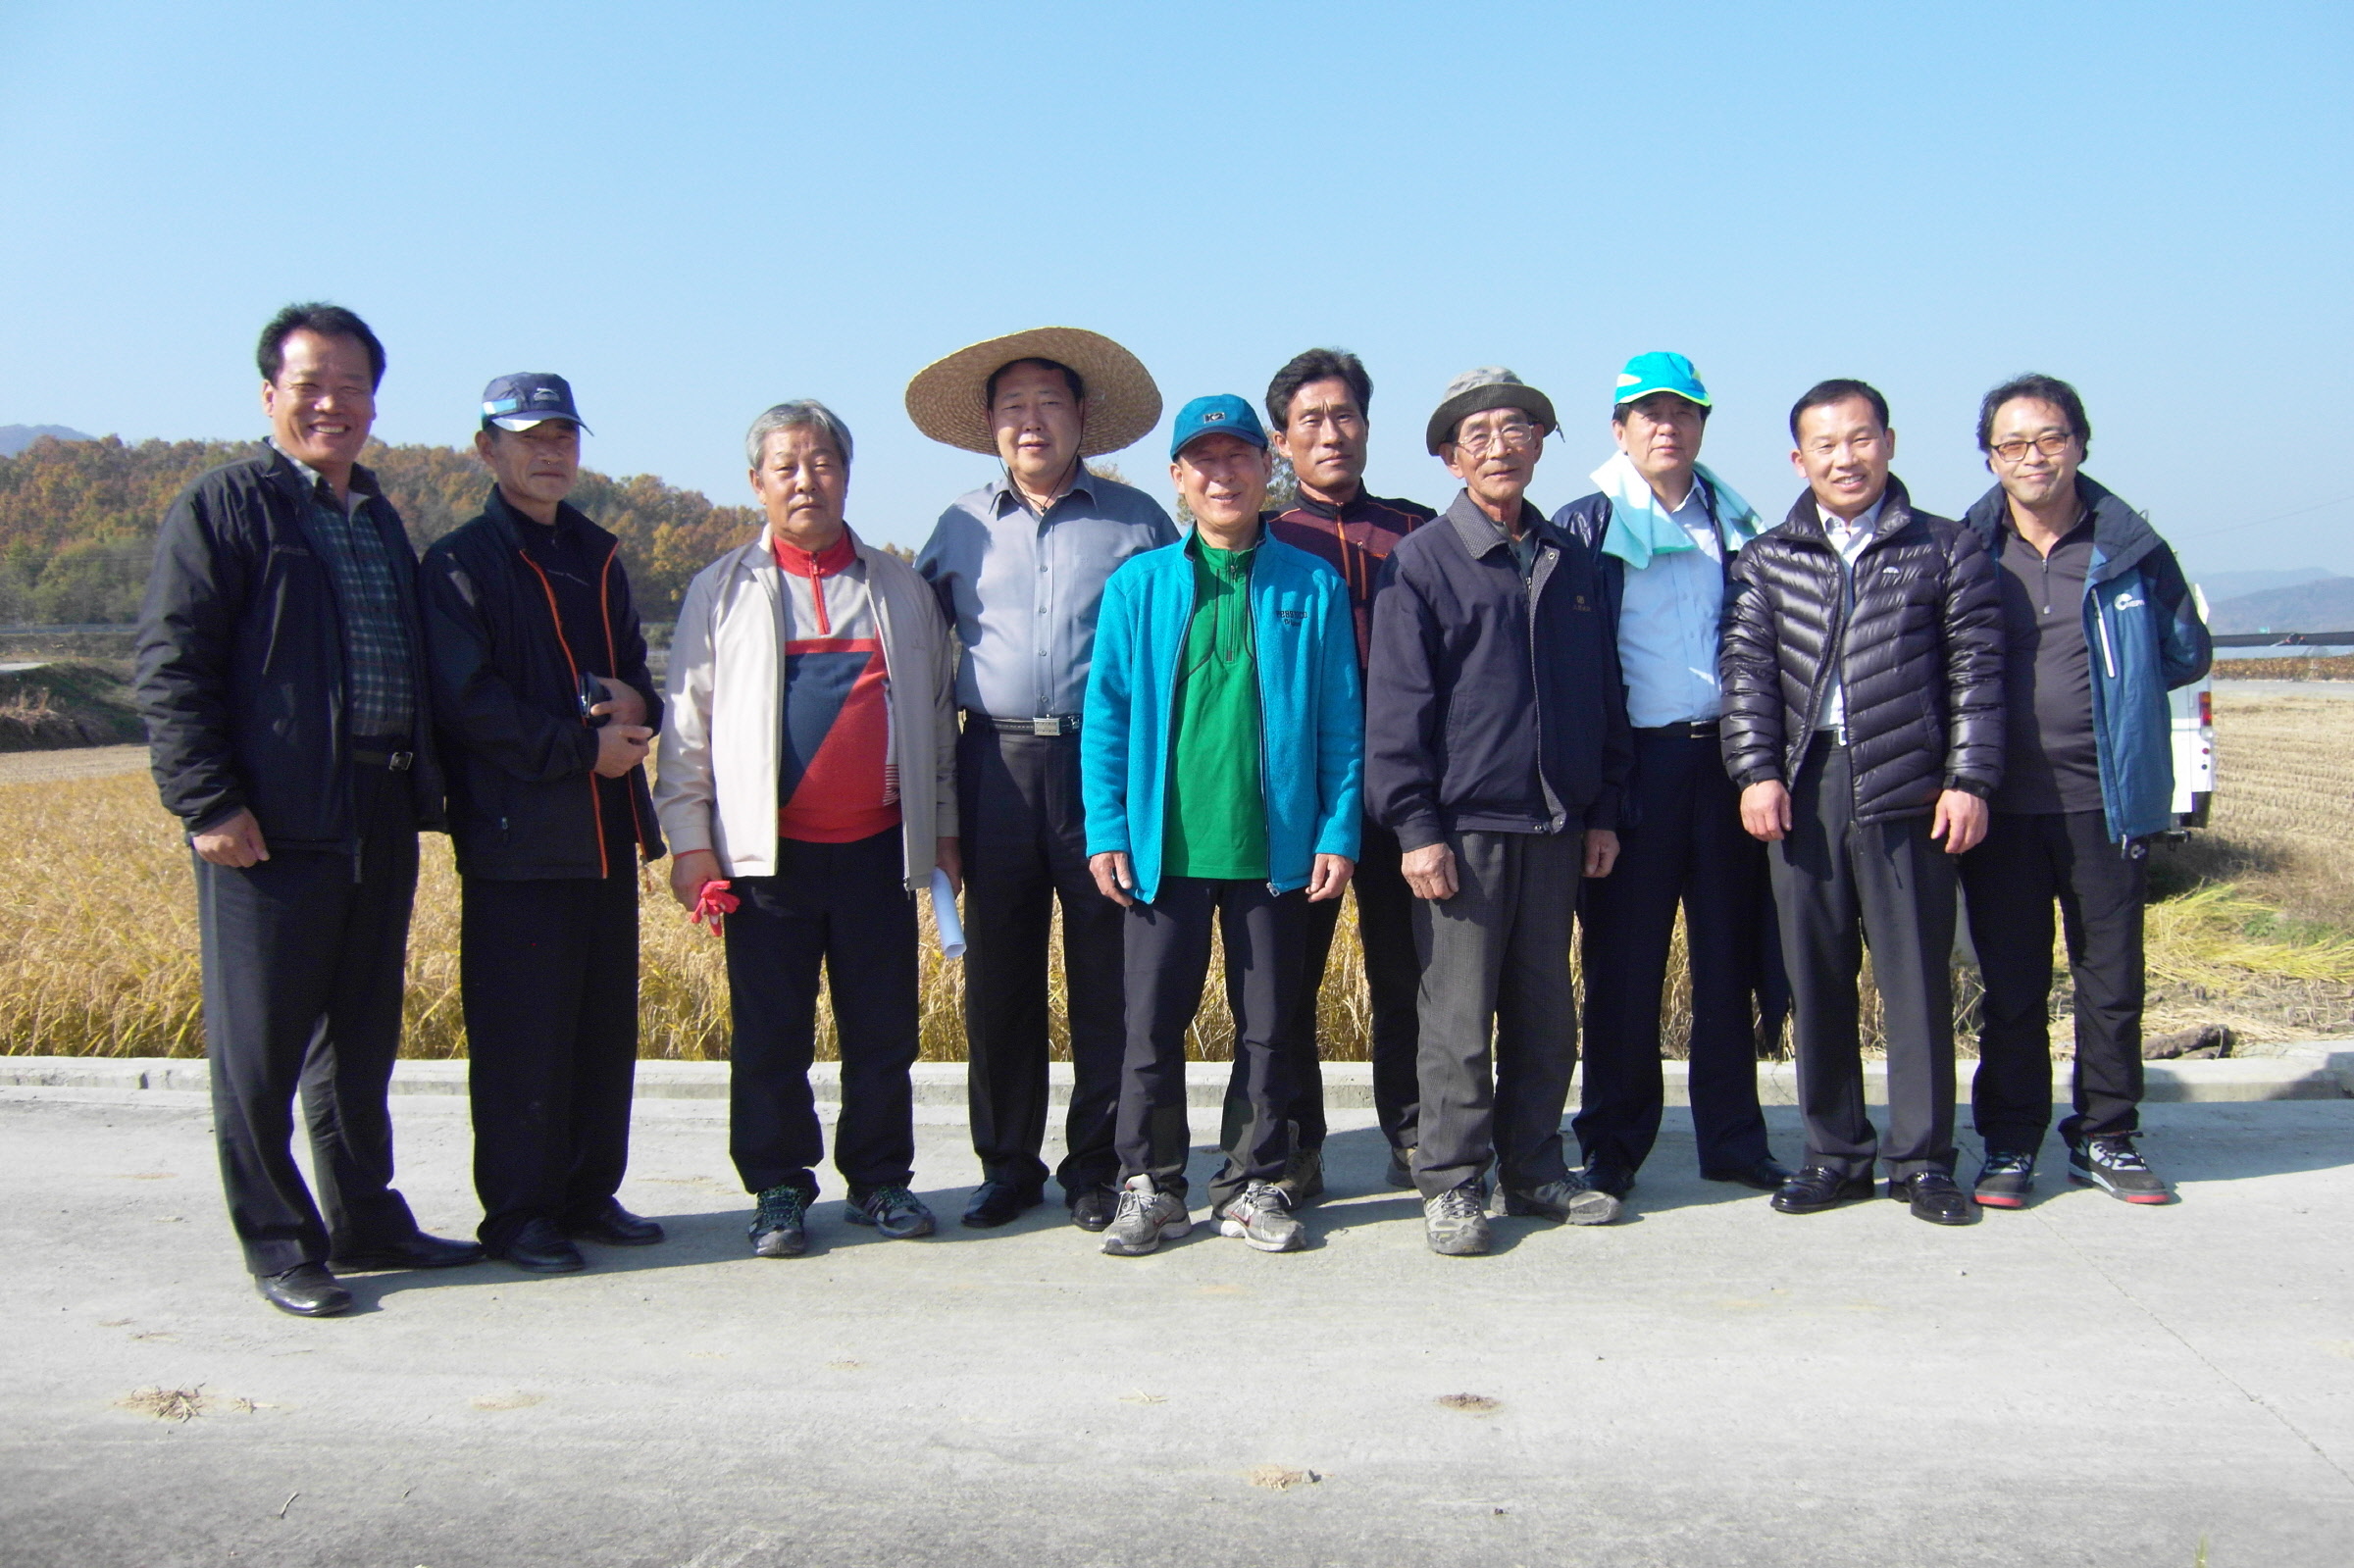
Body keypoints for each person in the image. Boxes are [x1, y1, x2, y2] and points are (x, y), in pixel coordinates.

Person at [134, 302, 481, 1318]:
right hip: (271, 824)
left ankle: (365, 1215)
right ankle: (280, 1241)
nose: (333, 403)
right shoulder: (226, 507)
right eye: (310, 385)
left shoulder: (375, 516)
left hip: (376, 806)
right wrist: (207, 800)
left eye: (353, 386)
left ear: (376, 399)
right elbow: (171, 668)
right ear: (269, 397)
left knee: (359, 1036)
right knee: (262, 1047)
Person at [654, 401, 959, 1259]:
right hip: (766, 861)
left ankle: (880, 1180)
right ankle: (779, 1186)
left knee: (883, 1031)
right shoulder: (720, 591)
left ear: (846, 475)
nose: (805, 479)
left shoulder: (898, 586)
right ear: (756, 482)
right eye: (785, 465)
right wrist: (691, 845)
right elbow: (686, 730)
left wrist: (942, 833)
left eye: (821, 462)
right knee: (770, 1036)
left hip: (877, 851)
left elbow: (937, 721)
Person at [1080, 395, 1362, 1256]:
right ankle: (1151, 1183)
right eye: (1202, 460)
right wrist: (1107, 827)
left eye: (1238, 456)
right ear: (1178, 479)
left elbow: (1343, 724)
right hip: (1164, 851)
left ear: (1266, 467)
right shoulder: (1141, 586)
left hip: (1273, 852)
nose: (1222, 474)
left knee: (1272, 1028)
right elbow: (1107, 716)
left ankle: (1257, 1181)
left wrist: (1338, 828)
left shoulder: (1309, 583)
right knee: (1150, 1026)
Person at [1718, 379, 2005, 1227]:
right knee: (1816, 975)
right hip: (1805, 789)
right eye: (1826, 444)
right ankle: (1835, 1152)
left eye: (1861, 439)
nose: (1845, 458)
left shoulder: (1945, 548)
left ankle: (1921, 1161)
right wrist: (1754, 772)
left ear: (1890, 441)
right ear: (1797, 458)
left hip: (1910, 787)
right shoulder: (1769, 558)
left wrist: (1969, 779)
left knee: (1915, 978)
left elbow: (1978, 675)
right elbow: (1746, 676)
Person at [908, 329, 1175, 1232]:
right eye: (1013, 405)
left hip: (1102, 767)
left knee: (1109, 974)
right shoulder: (955, 528)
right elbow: (916, 662)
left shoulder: (1139, 522)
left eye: (1049, 402)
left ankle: (1095, 1162)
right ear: (989, 423)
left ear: (1083, 416)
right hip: (991, 765)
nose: (1031, 421)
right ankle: (1005, 1163)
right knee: (1001, 979)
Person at [1364, 368, 1632, 1257]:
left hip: (1555, 823)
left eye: (1516, 429)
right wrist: (1416, 827)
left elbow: (1603, 695)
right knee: (1455, 1012)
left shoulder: (1570, 559)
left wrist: (1603, 807)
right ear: (1449, 457)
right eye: (1476, 435)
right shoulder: (1424, 563)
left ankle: (1535, 1166)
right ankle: (1451, 1181)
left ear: (1541, 444)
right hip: (1464, 830)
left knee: (1545, 1008)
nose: (1499, 447)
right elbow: (1398, 709)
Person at [420, 373, 668, 1274]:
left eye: (563, 435)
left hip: (605, 828)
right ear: (487, 449)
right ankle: (520, 1214)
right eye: (529, 437)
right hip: (517, 834)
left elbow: (637, 673)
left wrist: (640, 711)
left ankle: (587, 1191)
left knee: (602, 1026)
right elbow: (468, 703)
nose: (550, 451)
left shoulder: (598, 553)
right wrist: (579, 746)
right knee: (522, 1034)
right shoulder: (458, 563)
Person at [1957, 374, 2210, 1207]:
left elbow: (2186, 649)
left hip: (2107, 799)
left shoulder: (2130, 548)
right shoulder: (1968, 547)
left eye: (2050, 438)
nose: (2033, 456)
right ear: (1991, 456)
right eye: (2013, 443)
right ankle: (2009, 1141)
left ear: (2081, 442)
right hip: (2002, 802)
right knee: (2015, 984)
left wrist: (2123, 695)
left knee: (2112, 979)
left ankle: (2106, 1136)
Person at [1561, 353, 1791, 1203]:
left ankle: (1733, 1138)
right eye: (1648, 413)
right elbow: (1576, 676)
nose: (1668, 426)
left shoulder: (1736, 523)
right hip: (1635, 771)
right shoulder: (1584, 527)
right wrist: (1597, 798)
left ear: (1702, 424)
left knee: (1726, 958)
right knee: (1625, 966)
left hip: (1727, 766)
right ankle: (1613, 1144)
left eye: (1683, 412)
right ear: (1618, 429)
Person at [1221, 348, 1435, 1200]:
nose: (1330, 433)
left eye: (1344, 415)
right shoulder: (1265, 539)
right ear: (1280, 441)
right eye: (1309, 420)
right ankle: (1295, 1140)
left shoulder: (1417, 530)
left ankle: (1417, 1131)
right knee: (1286, 981)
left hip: (1405, 787)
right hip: (1299, 795)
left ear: (1368, 427)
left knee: (1408, 973)